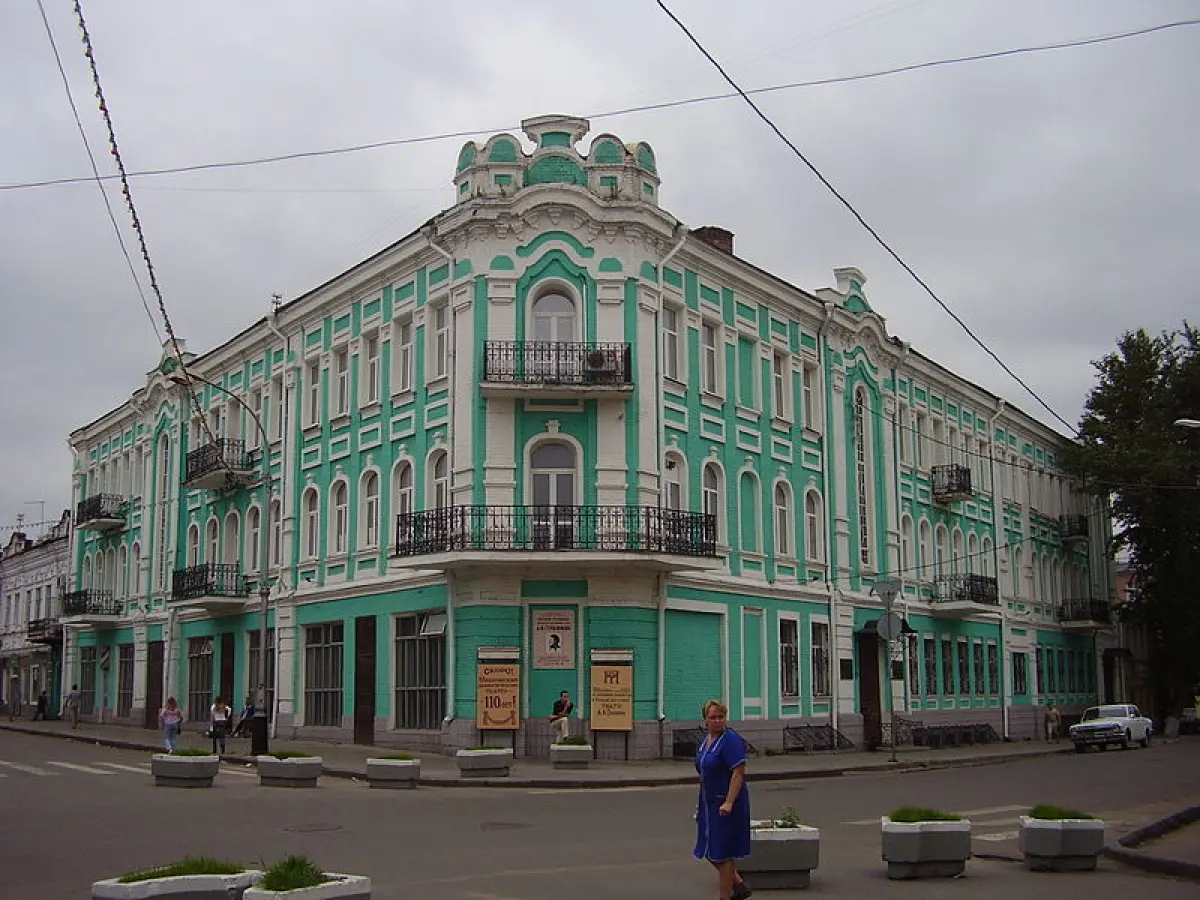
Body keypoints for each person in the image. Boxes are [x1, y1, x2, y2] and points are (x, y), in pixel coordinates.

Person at [694, 699, 752, 900]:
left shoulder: (730, 740)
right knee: (708, 849)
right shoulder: (706, 740)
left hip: (727, 803)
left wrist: (729, 802)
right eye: (713, 717)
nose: (717, 721)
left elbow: (738, 773)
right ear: (705, 720)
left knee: (723, 852)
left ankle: (725, 897)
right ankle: (739, 884)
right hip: (708, 803)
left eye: (721, 717)